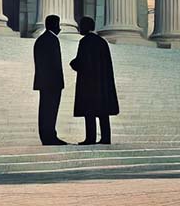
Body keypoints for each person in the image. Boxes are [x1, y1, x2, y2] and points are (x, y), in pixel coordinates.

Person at [70, 16, 119, 144]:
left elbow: (81, 62)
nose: (80, 28)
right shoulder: (102, 42)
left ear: (86, 27)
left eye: (81, 25)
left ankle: (90, 138)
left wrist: (72, 64)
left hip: (88, 83)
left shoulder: (85, 42)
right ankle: (106, 137)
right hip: (102, 83)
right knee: (103, 112)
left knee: (89, 111)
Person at [33, 14, 67, 146]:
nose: (60, 28)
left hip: (44, 83)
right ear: (54, 25)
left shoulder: (41, 39)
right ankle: (50, 137)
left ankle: (46, 136)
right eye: (58, 25)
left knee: (44, 110)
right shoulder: (52, 40)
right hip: (53, 83)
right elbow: (55, 64)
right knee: (51, 110)